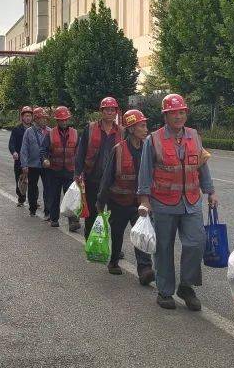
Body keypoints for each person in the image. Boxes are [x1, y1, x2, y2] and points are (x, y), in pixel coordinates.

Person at [137, 93, 216, 311]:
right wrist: (144, 200)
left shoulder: (194, 136)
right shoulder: (154, 139)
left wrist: (210, 191)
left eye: (182, 112)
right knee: (163, 248)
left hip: (191, 201)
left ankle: (187, 286)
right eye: (174, 113)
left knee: (196, 243)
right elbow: (145, 172)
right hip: (163, 202)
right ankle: (165, 291)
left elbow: (202, 165)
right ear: (165, 116)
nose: (179, 116)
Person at [96, 109, 155, 285]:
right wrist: (100, 201)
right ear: (131, 129)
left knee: (141, 234)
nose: (146, 129)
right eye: (142, 125)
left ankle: (144, 269)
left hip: (140, 203)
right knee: (117, 233)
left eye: (145, 125)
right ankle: (114, 261)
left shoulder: (148, 149)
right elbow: (107, 177)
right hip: (119, 202)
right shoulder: (119, 149)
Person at [75, 96, 121, 237]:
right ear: (101, 111)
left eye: (112, 110)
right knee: (93, 211)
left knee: (115, 215)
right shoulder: (90, 128)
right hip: (93, 178)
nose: (110, 112)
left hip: (114, 181)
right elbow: (81, 152)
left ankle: (115, 248)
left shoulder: (122, 132)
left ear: (116, 112)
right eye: (107, 110)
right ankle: (89, 237)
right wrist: (78, 173)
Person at [41, 106, 82, 231]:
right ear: (57, 121)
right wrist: (45, 159)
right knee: (54, 196)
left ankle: (73, 221)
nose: (64, 122)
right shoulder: (50, 134)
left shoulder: (75, 133)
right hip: (54, 171)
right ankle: (54, 219)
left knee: (72, 198)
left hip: (70, 171)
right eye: (61, 120)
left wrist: (80, 170)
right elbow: (43, 150)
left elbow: (80, 153)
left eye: (65, 120)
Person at [20, 107, 50, 218]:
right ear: (36, 119)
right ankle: (32, 208)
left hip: (46, 165)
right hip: (32, 165)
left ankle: (48, 210)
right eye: (42, 118)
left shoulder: (50, 131)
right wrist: (24, 164)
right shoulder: (29, 132)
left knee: (48, 188)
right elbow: (24, 149)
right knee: (32, 187)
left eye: (46, 118)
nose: (45, 121)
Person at [10, 106, 34, 207]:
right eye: (26, 116)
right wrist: (14, 152)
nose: (28, 118)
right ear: (22, 117)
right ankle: (21, 197)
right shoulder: (16, 129)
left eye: (30, 116)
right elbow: (11, 143)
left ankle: (33, 201)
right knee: (20, 180)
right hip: (19, 160)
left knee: (33, 182)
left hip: (32, 160)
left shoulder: (35, 129)